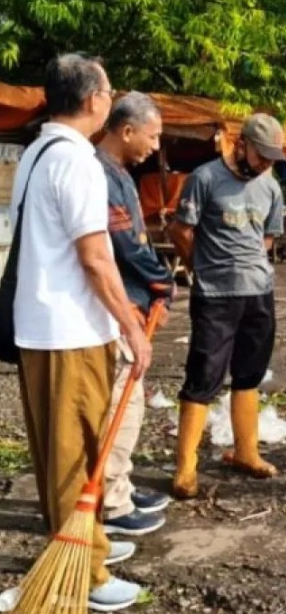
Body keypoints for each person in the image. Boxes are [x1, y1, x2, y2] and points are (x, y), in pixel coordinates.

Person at [12, 54, 152, 611]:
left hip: (41, 326)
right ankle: (84, 575)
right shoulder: (76, 161)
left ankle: (85, 542)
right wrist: (131, 326)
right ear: (93, 99)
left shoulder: (37, 153)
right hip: (69, 330)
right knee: (78, 452)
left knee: (61, 449)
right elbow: (95, 258)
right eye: (109, 89)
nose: (111, 96)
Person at [167, 113, 286, 500]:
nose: (266, 163)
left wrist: (252, 268)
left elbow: (267, 237)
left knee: (250, 374)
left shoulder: (270, 187)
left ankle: (247, 452)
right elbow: (181, 230)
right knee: (203, 377)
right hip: (215, 296)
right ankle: (185, 468)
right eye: (262, 155)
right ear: (241, 144)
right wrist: (200, 267)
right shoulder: (204, 179)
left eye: (272, 158)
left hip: (258, 293)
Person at [96, 92, 175, 536]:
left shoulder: (120, 172)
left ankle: (119, 484)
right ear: (126, 131)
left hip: (134, 303)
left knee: (131, 402)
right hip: (119, 307)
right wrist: (162, 281)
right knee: (121, 408)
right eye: (153, 135)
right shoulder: (101, 176)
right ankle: (112, 500)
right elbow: (126, 245)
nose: (156, 145)